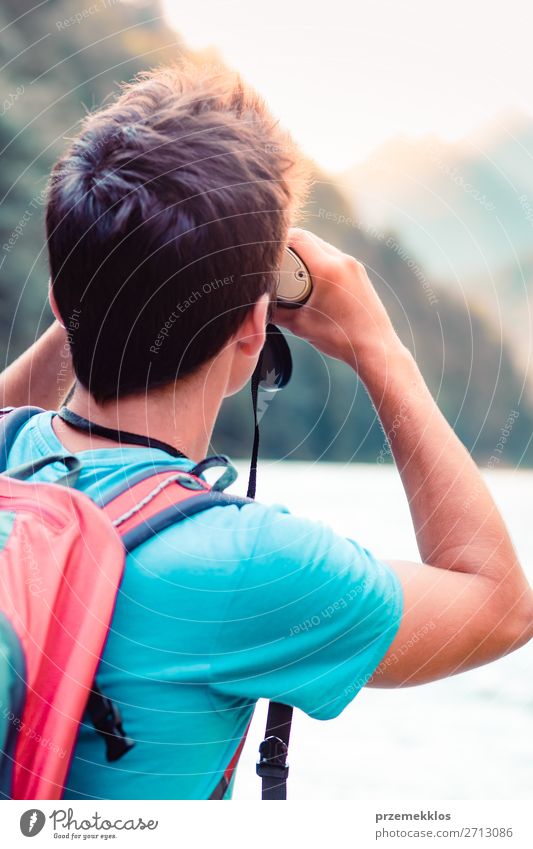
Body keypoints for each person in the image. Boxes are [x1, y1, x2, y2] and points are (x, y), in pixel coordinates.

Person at [1, 65, 532, 801]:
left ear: (60, 300)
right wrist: (380, 348)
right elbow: (499, 606)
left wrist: (100, 285)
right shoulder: (248, 562)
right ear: (255, 326)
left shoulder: (10, 454)